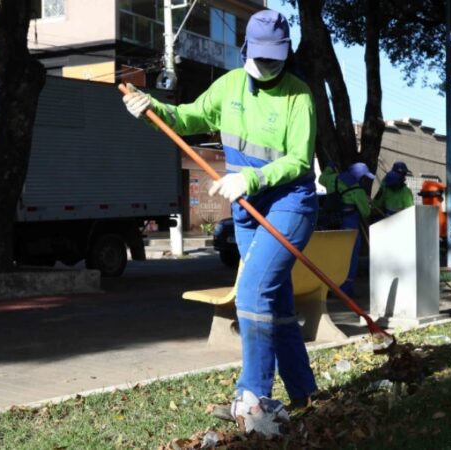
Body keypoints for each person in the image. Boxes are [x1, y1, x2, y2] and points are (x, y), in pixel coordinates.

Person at [123, 10, 316, 436]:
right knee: (276, 302)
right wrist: (151, 106)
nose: (268, 65)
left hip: (288, 204)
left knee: (253, 291)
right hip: (246, 208)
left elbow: (300, 160)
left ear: (287, 55)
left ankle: (252, 398)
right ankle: (305, 393)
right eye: (260, 55)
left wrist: (252, 176)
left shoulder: (298, 96)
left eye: (276, 57)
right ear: (245, 50)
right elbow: (188, 118)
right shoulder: (228, 87)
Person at [319, 161, 374, 297]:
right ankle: (345, 288)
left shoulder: (333, 179)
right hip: (350, 226)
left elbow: (321, 178)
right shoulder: (357, 190)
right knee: (350, 256)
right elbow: (366, 212)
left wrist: (329, 167)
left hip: (332, 224)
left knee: (333, 255)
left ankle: (329, 287)